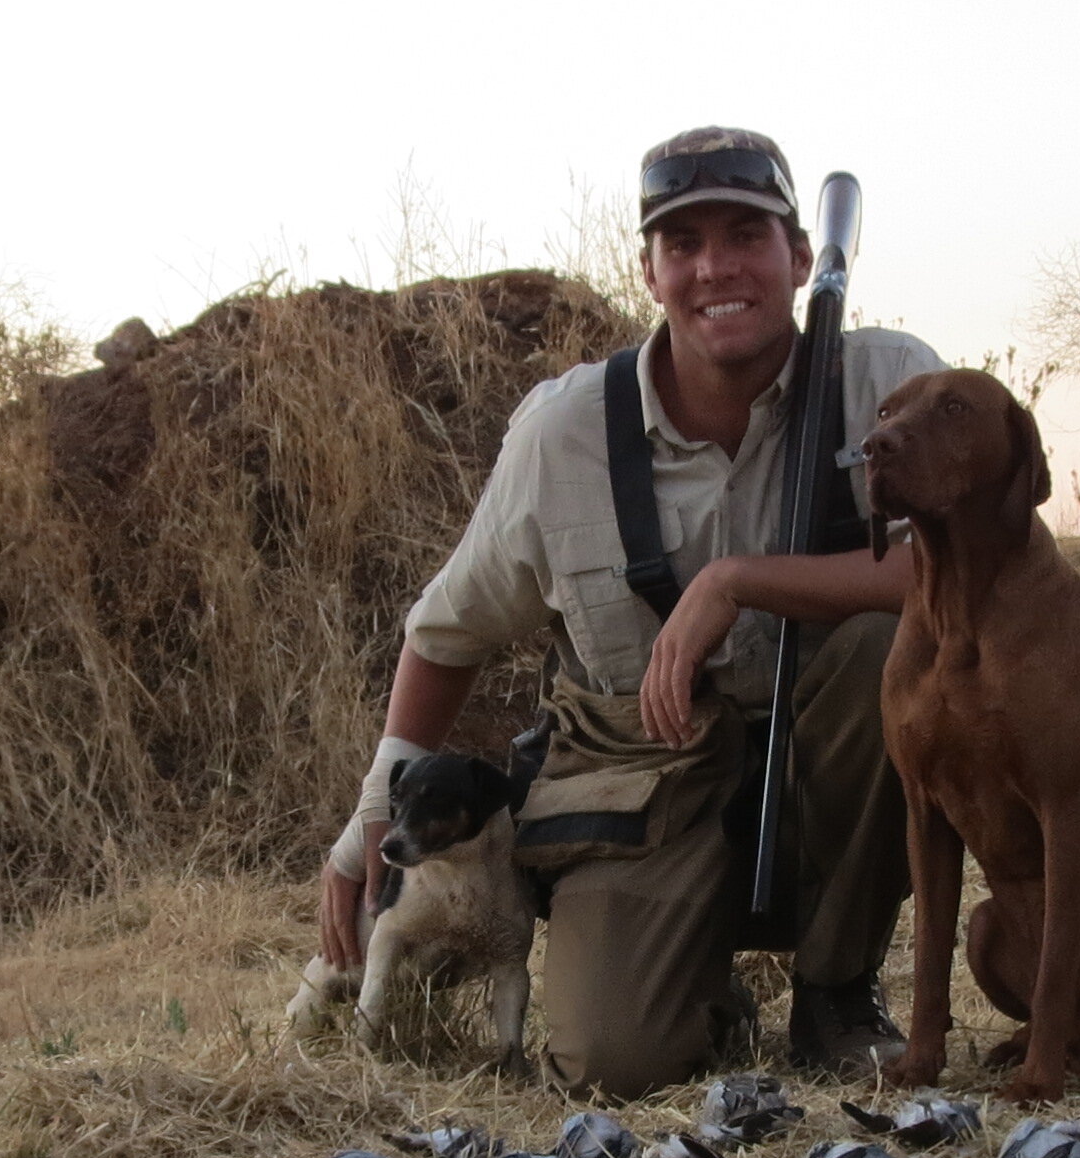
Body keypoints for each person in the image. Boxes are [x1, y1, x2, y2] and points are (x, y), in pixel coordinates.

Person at [318, 128, 942, 1095]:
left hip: (822, 758)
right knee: (610, 1065)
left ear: (801, 258)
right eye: (682, 244)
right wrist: (368, 823)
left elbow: (969, 569)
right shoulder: (560, 431)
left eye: (747, 235)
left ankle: (836, 990)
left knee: (887, 650)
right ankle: (695, 989)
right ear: (647, 271)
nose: (715, 268)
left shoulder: (887, 384)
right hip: (640, 772)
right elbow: (446, 635)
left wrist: (738, 581)